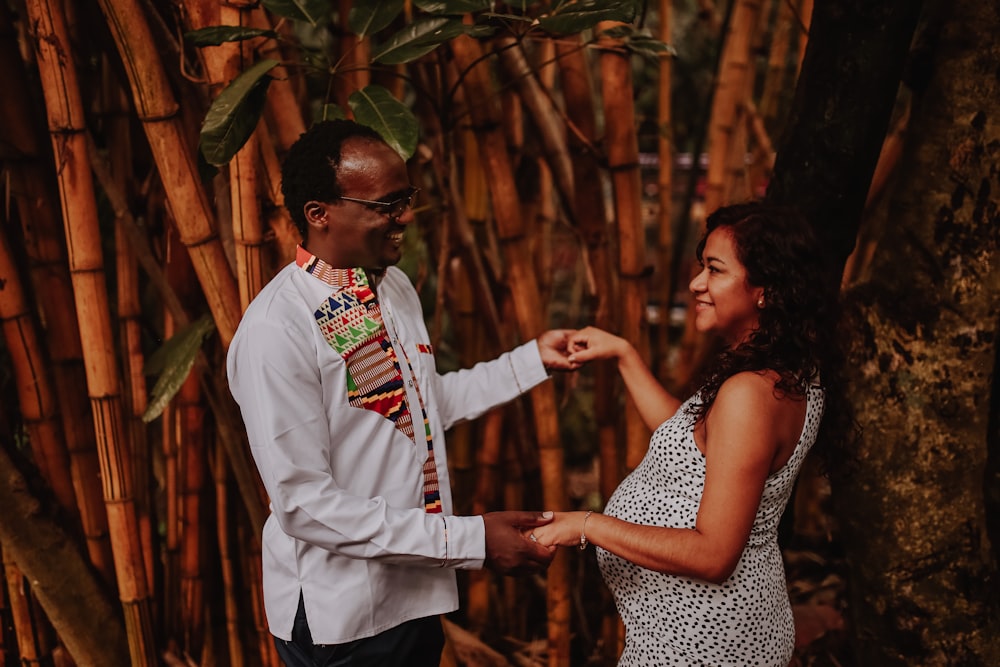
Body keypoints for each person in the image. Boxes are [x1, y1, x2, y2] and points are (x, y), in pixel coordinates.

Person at [227, 119, 578, 666]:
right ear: (319, 213)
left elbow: (421, 409)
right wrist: (471, 542)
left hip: (412, 595)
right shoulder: (278, 329)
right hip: (342, 616)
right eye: (387, 205)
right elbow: (302, 504)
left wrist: (532, 360)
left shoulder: (390, 287)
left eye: (406, 198)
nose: (405, 218)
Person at [529, 203, 852, 666]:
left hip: (702, 643)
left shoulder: (750, 393)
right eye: (702, 267)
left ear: (766, 291)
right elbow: (692, 445)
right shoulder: (788, 373)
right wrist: (624, 355)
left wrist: (586, 524)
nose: (696, 283)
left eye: (714, 270)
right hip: (719, 630)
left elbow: (714, 555)